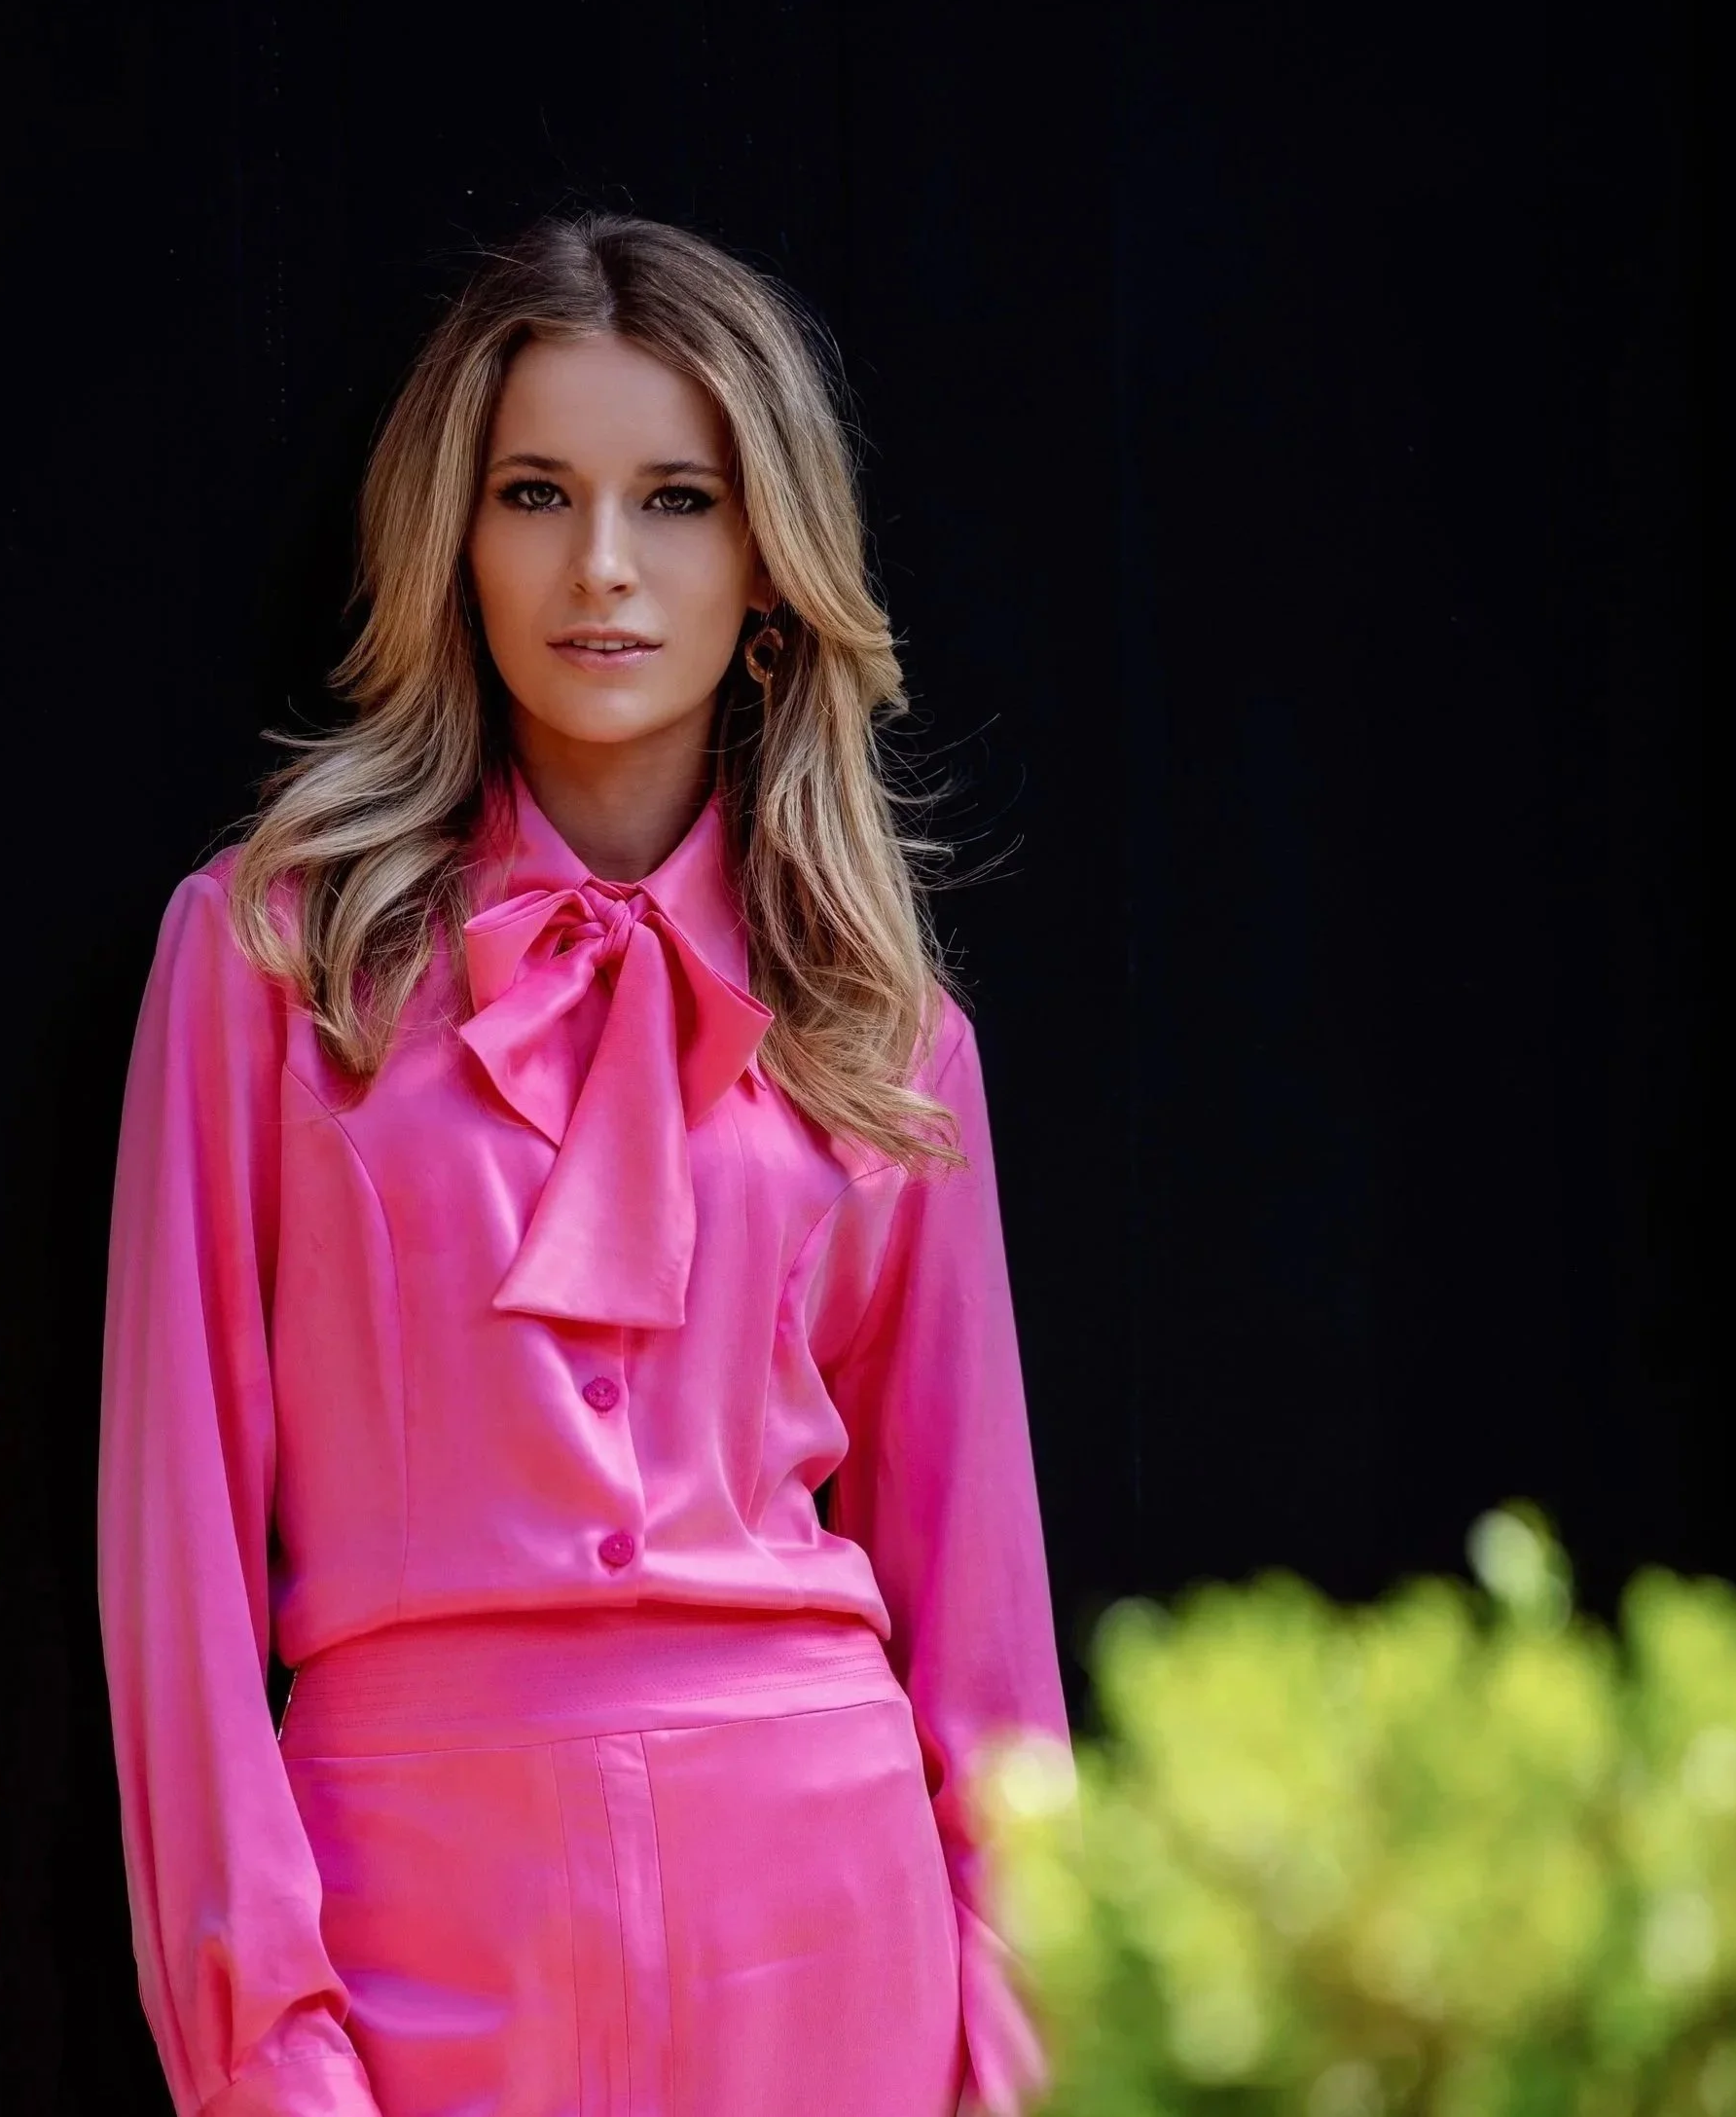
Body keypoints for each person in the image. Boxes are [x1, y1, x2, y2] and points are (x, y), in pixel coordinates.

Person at [97, 209, 1071, 2117]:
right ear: (455, 541)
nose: (600, 565)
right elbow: (176, 1575)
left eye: (677, 498)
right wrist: (266, 2057)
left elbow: (986, 1641)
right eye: (535, 491)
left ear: (766, 565)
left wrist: (1023, 2055)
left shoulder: (883, 1033)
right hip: (415, 1926)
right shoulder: (270, 964)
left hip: (824, 1921)